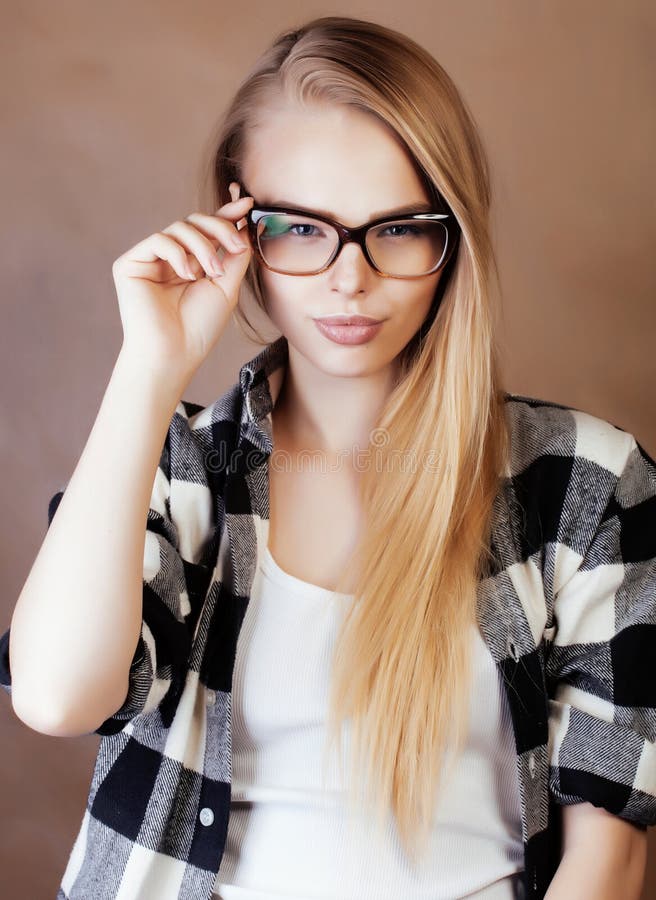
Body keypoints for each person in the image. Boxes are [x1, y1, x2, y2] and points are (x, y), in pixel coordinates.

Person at [1, 14, 654, 900]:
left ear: (452, 236)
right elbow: (55, 698)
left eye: (398, 228)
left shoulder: (587, 482)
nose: (351, 278)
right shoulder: (177, 467)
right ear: (241, 227)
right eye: (302, 228)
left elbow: (610, 854)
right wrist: (148, 373)